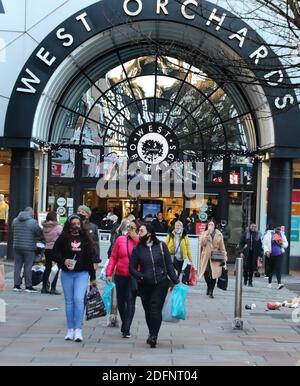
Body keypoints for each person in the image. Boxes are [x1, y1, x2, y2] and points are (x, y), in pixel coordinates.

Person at [130, 224, 179, 348]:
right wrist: (141, 276)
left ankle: (154, 336)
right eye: (138, 230)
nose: (139, 232)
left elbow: (169, 264)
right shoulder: (138, 249)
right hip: (144, 284)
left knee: (155, 308)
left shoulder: (161, 246)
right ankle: (151, 332)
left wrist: (176, 281)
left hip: (161, 283)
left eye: (141, 230)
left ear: (149, 233)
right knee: (148, 311)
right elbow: (132, 268)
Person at [53, 215, 96, 342]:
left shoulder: (85, 239)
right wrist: (63, 260)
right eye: (74, 223)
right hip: (67, 273)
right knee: (69, 302)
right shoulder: (63, 238)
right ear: (69, 224)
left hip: (82, 273)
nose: (76, 225)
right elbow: (54, 253)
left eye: (78, 223)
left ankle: (78, 329)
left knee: (78, 299)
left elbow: (90, 259)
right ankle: (70, 329)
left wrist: (93, 277)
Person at [106, 220, 140, 338]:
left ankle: (126, 327)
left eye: (133, 228)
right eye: (129, 227)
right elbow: (113, 257)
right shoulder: (120, 240)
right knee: (121, 301)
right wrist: (109, 273)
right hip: (120, 275)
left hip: (133, 276)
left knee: (130, 301)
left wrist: (136, 239)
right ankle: (125, 322)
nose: (130, 229)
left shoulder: (140, 242)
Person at [12, 207, 43, 293]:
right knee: (28, 266)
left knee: (17, 266)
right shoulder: (33, 222)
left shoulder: (15, 220)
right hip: (29, 248)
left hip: (17, 246)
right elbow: (39, 233)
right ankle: (28, 286)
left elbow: (13, 230)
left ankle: (16, 285)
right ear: (31, 212)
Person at [199, 220, 227, 298]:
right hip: (206, 257)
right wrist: (206, 236)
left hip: (215, 256)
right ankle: (208, 285)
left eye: (212, 224)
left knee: (214, 274)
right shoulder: (204, 233)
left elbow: (222, 247)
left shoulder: (219, 234)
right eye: (209, 224)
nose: (210, 226)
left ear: (215, 225)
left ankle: (211, 291)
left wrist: (224, 258)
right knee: (205, 274)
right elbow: (201, 244)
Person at [41, 211, 63, 294]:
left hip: (47, 249)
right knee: (55, 268)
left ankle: (44, 287)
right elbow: (63, 236)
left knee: (47, 268)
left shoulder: (45, 227)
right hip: (56, 249)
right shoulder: (58, 227)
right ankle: (53, 288)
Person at [263, 225, 288, 290]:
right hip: (271, 254)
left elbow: (286, 244)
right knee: (271, 269)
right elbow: (264, 244)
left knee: (278, 268)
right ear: (274, 228)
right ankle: (269, 283)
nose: (279, 230)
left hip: (279, 254)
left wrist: (281, 243)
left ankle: (279, 283)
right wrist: (266, 251)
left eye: (280, 229)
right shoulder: (269, 234)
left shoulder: (282, 235)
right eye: (277, 229)